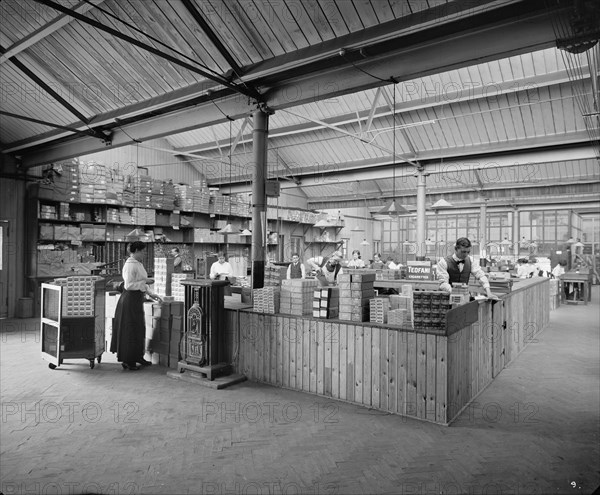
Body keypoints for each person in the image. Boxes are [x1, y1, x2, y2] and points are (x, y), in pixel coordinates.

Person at [111, 241, 162, 371]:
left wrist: (151, 294)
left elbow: (139, 282)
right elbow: (129, 285)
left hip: (136, 299)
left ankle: (138, 356)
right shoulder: (130, 265)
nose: (145, 253)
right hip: (129, 300)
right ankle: (129, 360)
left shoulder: (138, 263)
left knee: (138, 328)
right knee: (130, 330)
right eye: (143, 251)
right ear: (137, 251)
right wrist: (146, 281)